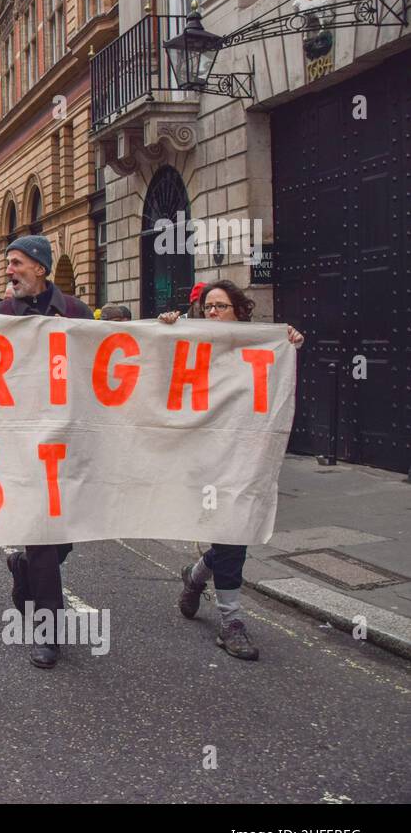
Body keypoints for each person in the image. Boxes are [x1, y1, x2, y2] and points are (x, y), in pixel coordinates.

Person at [160, 279, 304, 661]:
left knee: (232, 533)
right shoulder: (190, 340)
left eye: (220, 306)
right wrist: (164, 330)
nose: (212, 313)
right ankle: (231, 621)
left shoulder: (258, 344)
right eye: (207, 307)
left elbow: (274, 375)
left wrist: (289, 340)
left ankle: (195, 577)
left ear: (239, 311)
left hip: (243, 458)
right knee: (229, 534)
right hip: (204, 458)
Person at [0, 234, 94, 669]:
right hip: (22, 444)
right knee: (44, 537)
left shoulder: (76, 313)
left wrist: (166, 328)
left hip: (69, 440)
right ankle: (48, 631)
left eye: (16, 263)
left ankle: (21, 572)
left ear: (40, 267)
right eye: (7, 263)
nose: (8, 271)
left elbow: (111, 358)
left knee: (65, 536)